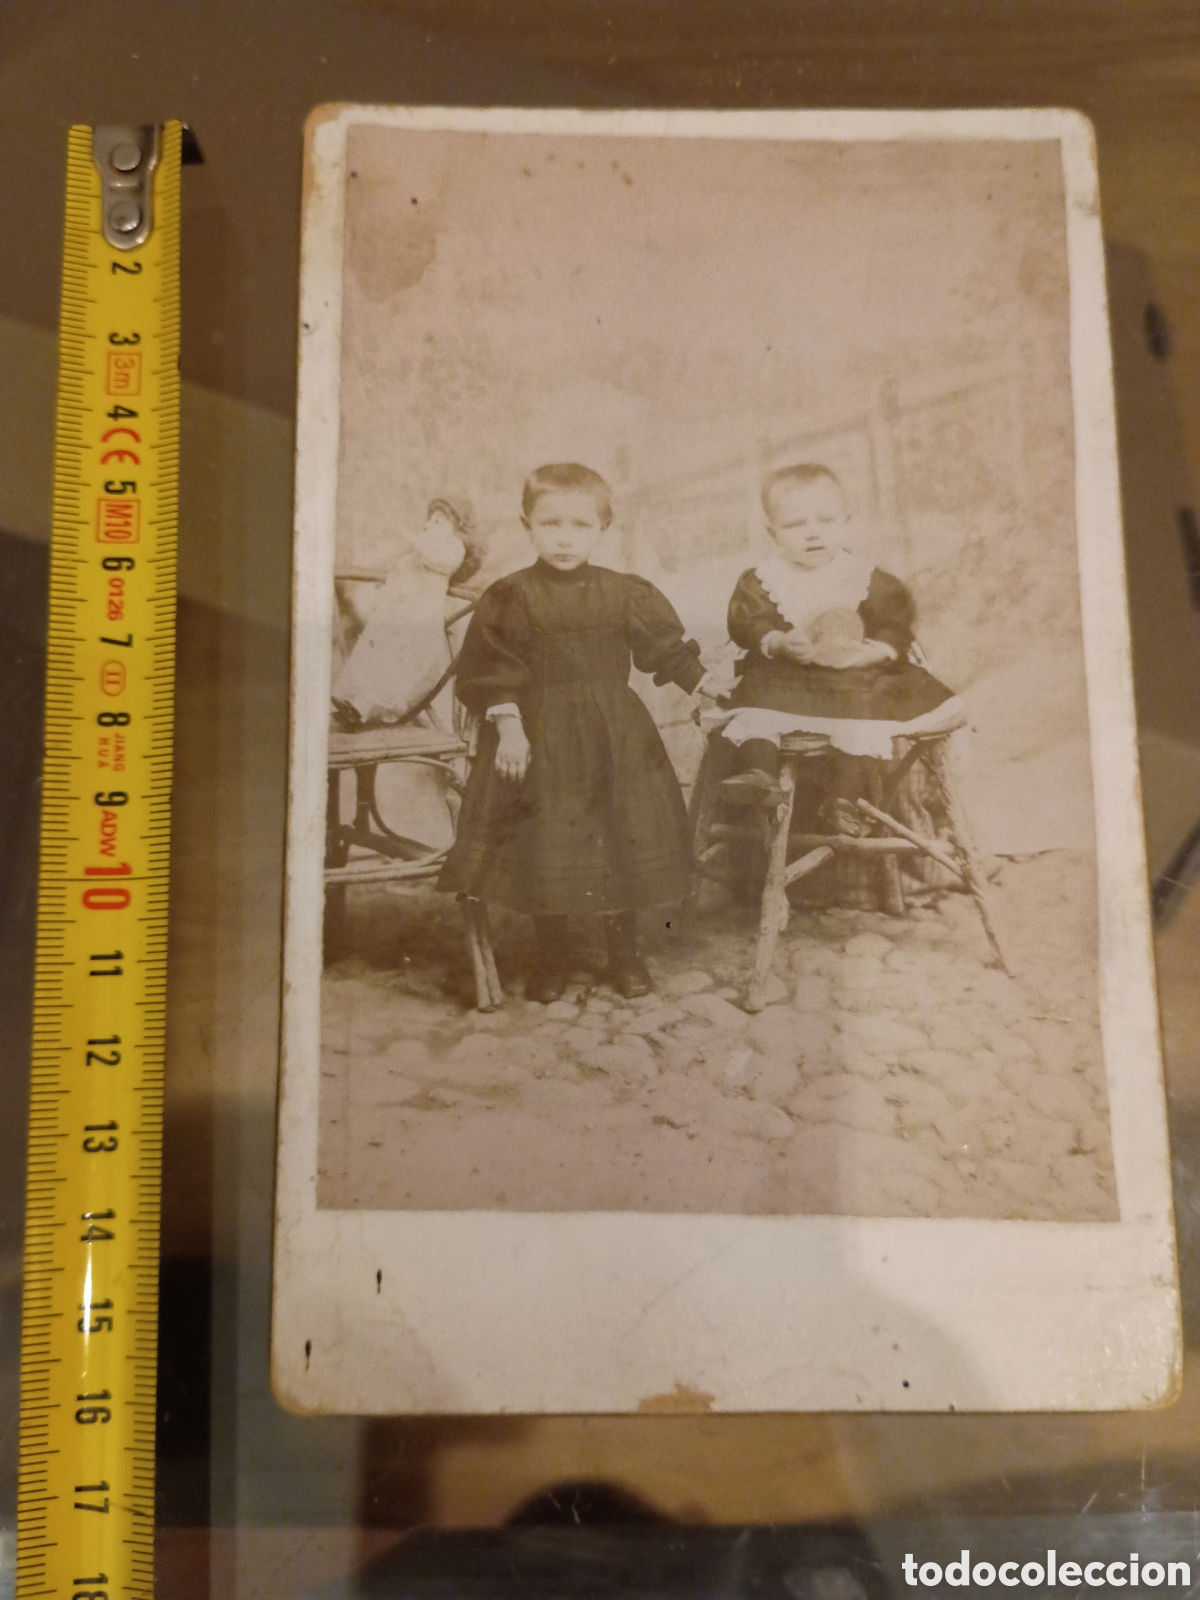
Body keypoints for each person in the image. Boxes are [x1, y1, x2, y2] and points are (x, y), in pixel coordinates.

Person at [438, 463, 711, 1002]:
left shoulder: (624, 592)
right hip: (539, 735)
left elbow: (666, 650)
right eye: (550, 524)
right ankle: (553, 951)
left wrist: (706, 688)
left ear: (603, 528)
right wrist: (510, 729)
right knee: (550, 840)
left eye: (580, 526)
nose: (565, 538)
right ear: (527, 526)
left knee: (621, 833)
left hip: (615, 735)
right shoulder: (511, 596)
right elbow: (491, 668)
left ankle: (624, 950)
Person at [718, 462, 963, 837]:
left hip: (851, 677)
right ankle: (760, 777)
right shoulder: (764, 579)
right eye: (794, 525)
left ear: (846, 521)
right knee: (755, 702)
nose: (812, 534)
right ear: (773, 532)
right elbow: (747, 624)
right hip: (789, 678)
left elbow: (895, 623)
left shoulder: (863, 576)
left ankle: (843, 800)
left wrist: (876, 651)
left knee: (863, 717)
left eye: (826, 521)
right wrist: (780, 642)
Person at [332, 497, 474, 730]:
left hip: (419, 620)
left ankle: (363, 708)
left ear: (457, 526)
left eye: (438, 521)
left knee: (399, 667)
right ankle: (351, 702)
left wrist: (406, 535)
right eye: (429, 520)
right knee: (373, 658)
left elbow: (435, 557)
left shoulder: (452, 547)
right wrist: (387, 586)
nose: (429, 525)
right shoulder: (420, 552)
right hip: (397, 615)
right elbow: (402, 572)